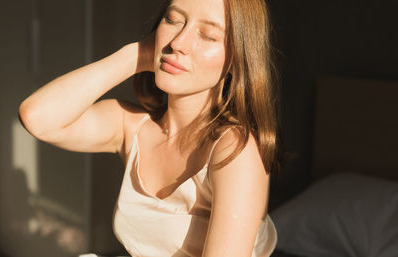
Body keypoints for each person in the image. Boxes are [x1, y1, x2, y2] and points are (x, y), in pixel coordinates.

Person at [19, 0, 282, 256]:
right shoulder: (131, 125)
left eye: (208, 35)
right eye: (173, 20)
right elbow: (38, 118)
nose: (178, 43)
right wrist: (134, 55)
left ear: (238, 58)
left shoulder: (234, 148)